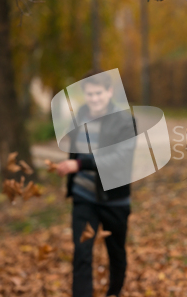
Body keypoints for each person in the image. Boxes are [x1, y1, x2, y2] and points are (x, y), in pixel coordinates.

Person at [56, 70, 136, 297]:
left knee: (116, 253)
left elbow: (120, 158)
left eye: (99, 93)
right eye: (89, 94)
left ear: (109, 91)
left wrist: (80, 165)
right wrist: (71, 165)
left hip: (115, 199)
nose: (94, 99)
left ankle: (114, 292)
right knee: (82, 253)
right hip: (83, 196)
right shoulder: (79, 114)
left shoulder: (125, 121)